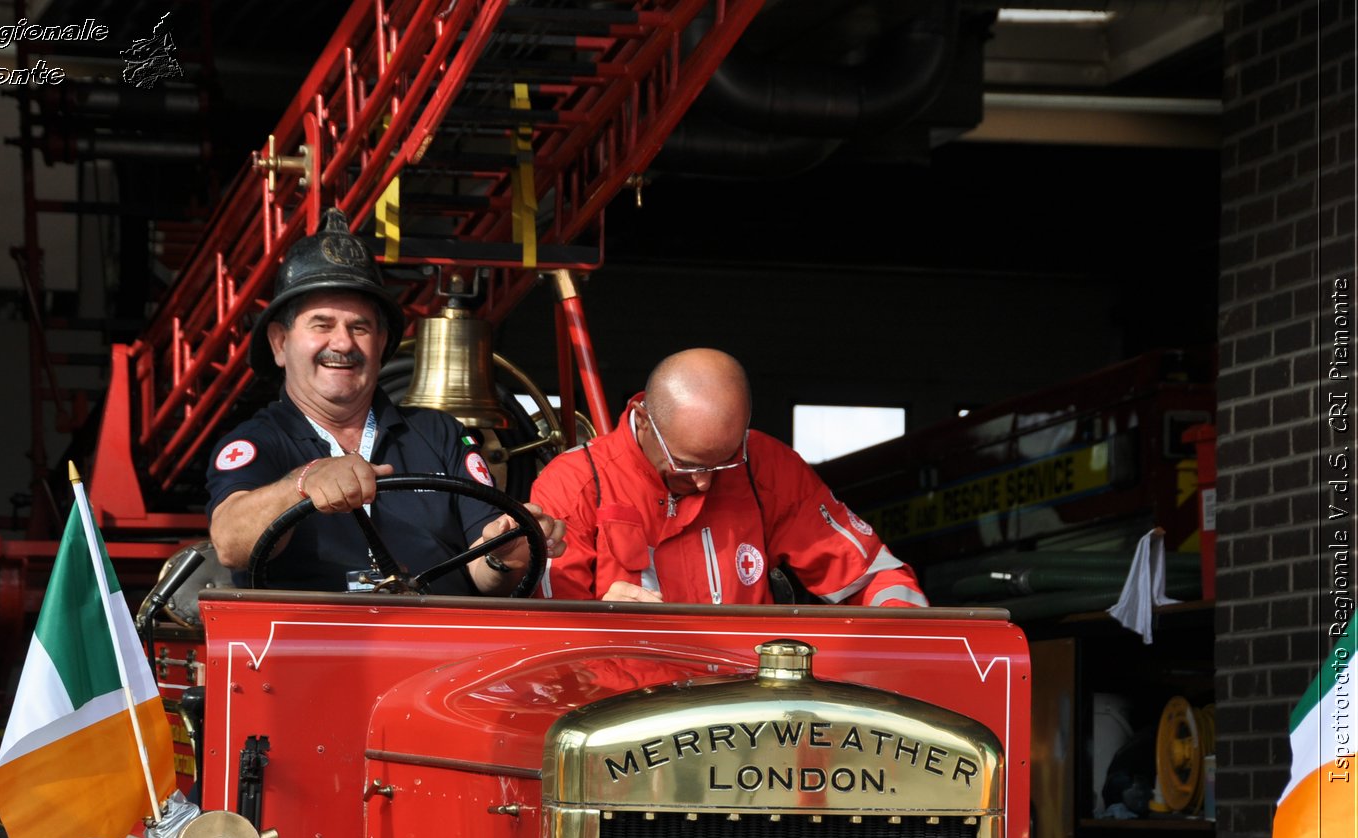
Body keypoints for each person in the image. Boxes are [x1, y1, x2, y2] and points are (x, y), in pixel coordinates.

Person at [207, 208, 564, 593]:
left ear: (381, 344)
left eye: (359, 327)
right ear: (280, 343)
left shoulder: (441, 433)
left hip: (443, 645)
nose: (343, 343)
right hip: (306, 646)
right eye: (322, 324)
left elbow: (487, 572)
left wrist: (504, 554)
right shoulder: (256, 441)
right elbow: (229, 543)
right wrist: (302, 483)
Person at [529, 348, 926, 607]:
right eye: (687, 465)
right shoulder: (576, 483)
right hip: (626, 720)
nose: (704, 482)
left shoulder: (766, 464)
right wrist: (606, 623)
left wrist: (905, 645)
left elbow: (871, 576)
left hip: (748, 717)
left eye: (723, 463)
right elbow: (549, 634)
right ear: (646, 422)